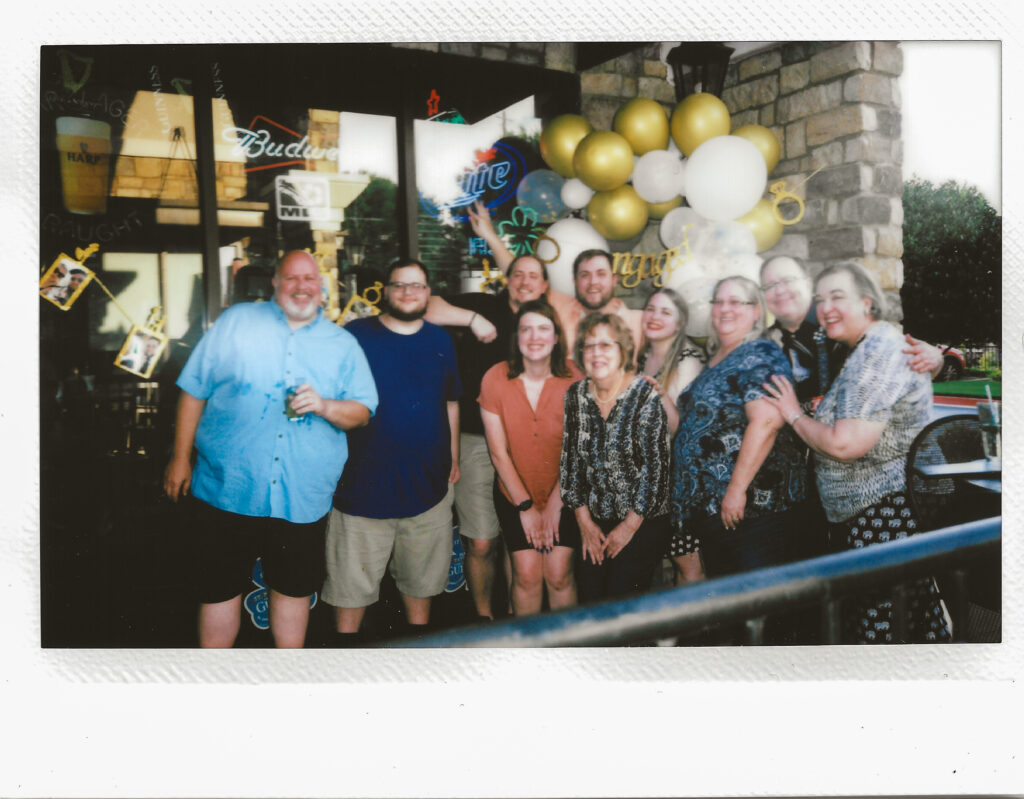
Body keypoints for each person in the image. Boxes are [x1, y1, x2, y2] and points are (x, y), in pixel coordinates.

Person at [163, 250, 378, 648]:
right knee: (218, 591)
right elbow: (193, 392)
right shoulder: (236, 323)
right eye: (291, 278)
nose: (302, 287)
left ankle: (286, 685)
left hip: (301, 494)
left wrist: (325, 406)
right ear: (276, 284)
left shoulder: (341, 344)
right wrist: (179, 459)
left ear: (321, 286)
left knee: (293, 591)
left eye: (310, 279)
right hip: (226, 487)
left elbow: (363, 411)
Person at [762, 261, 951, 644]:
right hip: (838, 506)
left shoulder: (870, 344)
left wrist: (793, 414)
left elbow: (845, 443)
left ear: (867, 303)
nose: (825, 306)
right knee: (884, 616)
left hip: (884, 509)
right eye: (822, 299)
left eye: (837, 297)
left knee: (883, 627)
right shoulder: (813, 340)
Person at [323, 258, 462, 642]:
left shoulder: (440, 340)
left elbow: (451, 401)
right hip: (359, 492)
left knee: (421, 593)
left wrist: (454, 457)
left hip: (427, 490)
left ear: (428, 293)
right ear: (385, 291)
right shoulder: (354, 336)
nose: (407, 293)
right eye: (399, 285)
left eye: (416, 286)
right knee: (350, 596)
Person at [424, 214, 552, 620]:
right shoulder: (484, 304)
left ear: (545, 286)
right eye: (518, 274)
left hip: (530, 447)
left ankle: (518, 617)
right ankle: (484, 619)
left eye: (534, 276)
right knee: (481, 541)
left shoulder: (547, 323)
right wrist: (471, 319)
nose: (525, 281)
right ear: (506, 278)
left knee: (523, 543)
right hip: (479, 442)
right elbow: (424, 307)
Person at [670, 276, 806, 583]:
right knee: (736, 608)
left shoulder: (760, 353)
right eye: (718, 301)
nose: (724, 308)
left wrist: (735, 489)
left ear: (757, 311)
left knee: (758, 607)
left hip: (754, 512)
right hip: (719, 514)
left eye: (736, 301)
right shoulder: (719, 358)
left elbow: (768, 420)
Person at [478, 299, 582, 616]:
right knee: (525, 576)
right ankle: (527, 656)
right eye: (526, 329)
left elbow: (577, 452)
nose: (534, 337)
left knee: (559, 575)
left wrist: (554, 504)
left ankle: (569, 652)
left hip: (563, 492)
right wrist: (524, 506)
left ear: (555, 337)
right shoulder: (495, 378)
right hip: (514, 494)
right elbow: (498, 452)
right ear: (516, 336)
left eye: (543, 329)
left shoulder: (576, 380)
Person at [560, 313, 671, 603]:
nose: (597, 353)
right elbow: (571, 464)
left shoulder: (645, 394)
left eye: (606, 345)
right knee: (591, 599)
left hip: (641, 519)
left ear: (623, 350)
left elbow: (656, 471)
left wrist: (628, 527)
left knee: (622, 602)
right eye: (589, 345)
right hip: (593, 518)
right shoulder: (575, 395)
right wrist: (584, 523)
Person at [760, 255, 943, 412]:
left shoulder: (840, 322)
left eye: (787, 281)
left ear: (808, 283)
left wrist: (934, 359)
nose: (780, 290)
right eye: (770, 286)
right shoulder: (763, 343)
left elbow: (899, 369)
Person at [635, 286, 707, 585]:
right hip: (646, 475)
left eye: (665, 312)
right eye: (651, 309)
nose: (654, 317)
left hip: (678, 479)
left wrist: (659, 394)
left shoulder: (687, 360)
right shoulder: (639, 358)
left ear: (679, 324)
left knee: (687, 563)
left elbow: (681, 428)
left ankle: (696, 630)